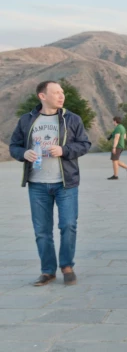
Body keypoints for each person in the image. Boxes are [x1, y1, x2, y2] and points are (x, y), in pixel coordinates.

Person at [9, 80, 91, 286]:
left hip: (66, 183)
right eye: (56, 93)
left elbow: (84, 144)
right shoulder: (27, 120)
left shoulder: (71, 119)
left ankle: (67, 266)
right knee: (42, 230)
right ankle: (47, 271)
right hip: (37, 184)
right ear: (42, 96)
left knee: (68, 225)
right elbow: (14, 146)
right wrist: (23, 153)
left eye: (62, 92)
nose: (61, 96)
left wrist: (64, 150)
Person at [108, 116, 127, 180]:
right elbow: (124, 137)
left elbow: (117, 138)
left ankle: (115, 176)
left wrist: (114, 147)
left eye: (113, 121)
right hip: (121, 145)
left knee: (114, 161)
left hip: (117, 146)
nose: (113, 122)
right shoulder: (122, 127)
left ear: (115, 121)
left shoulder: (118, 128)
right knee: (116, 160)